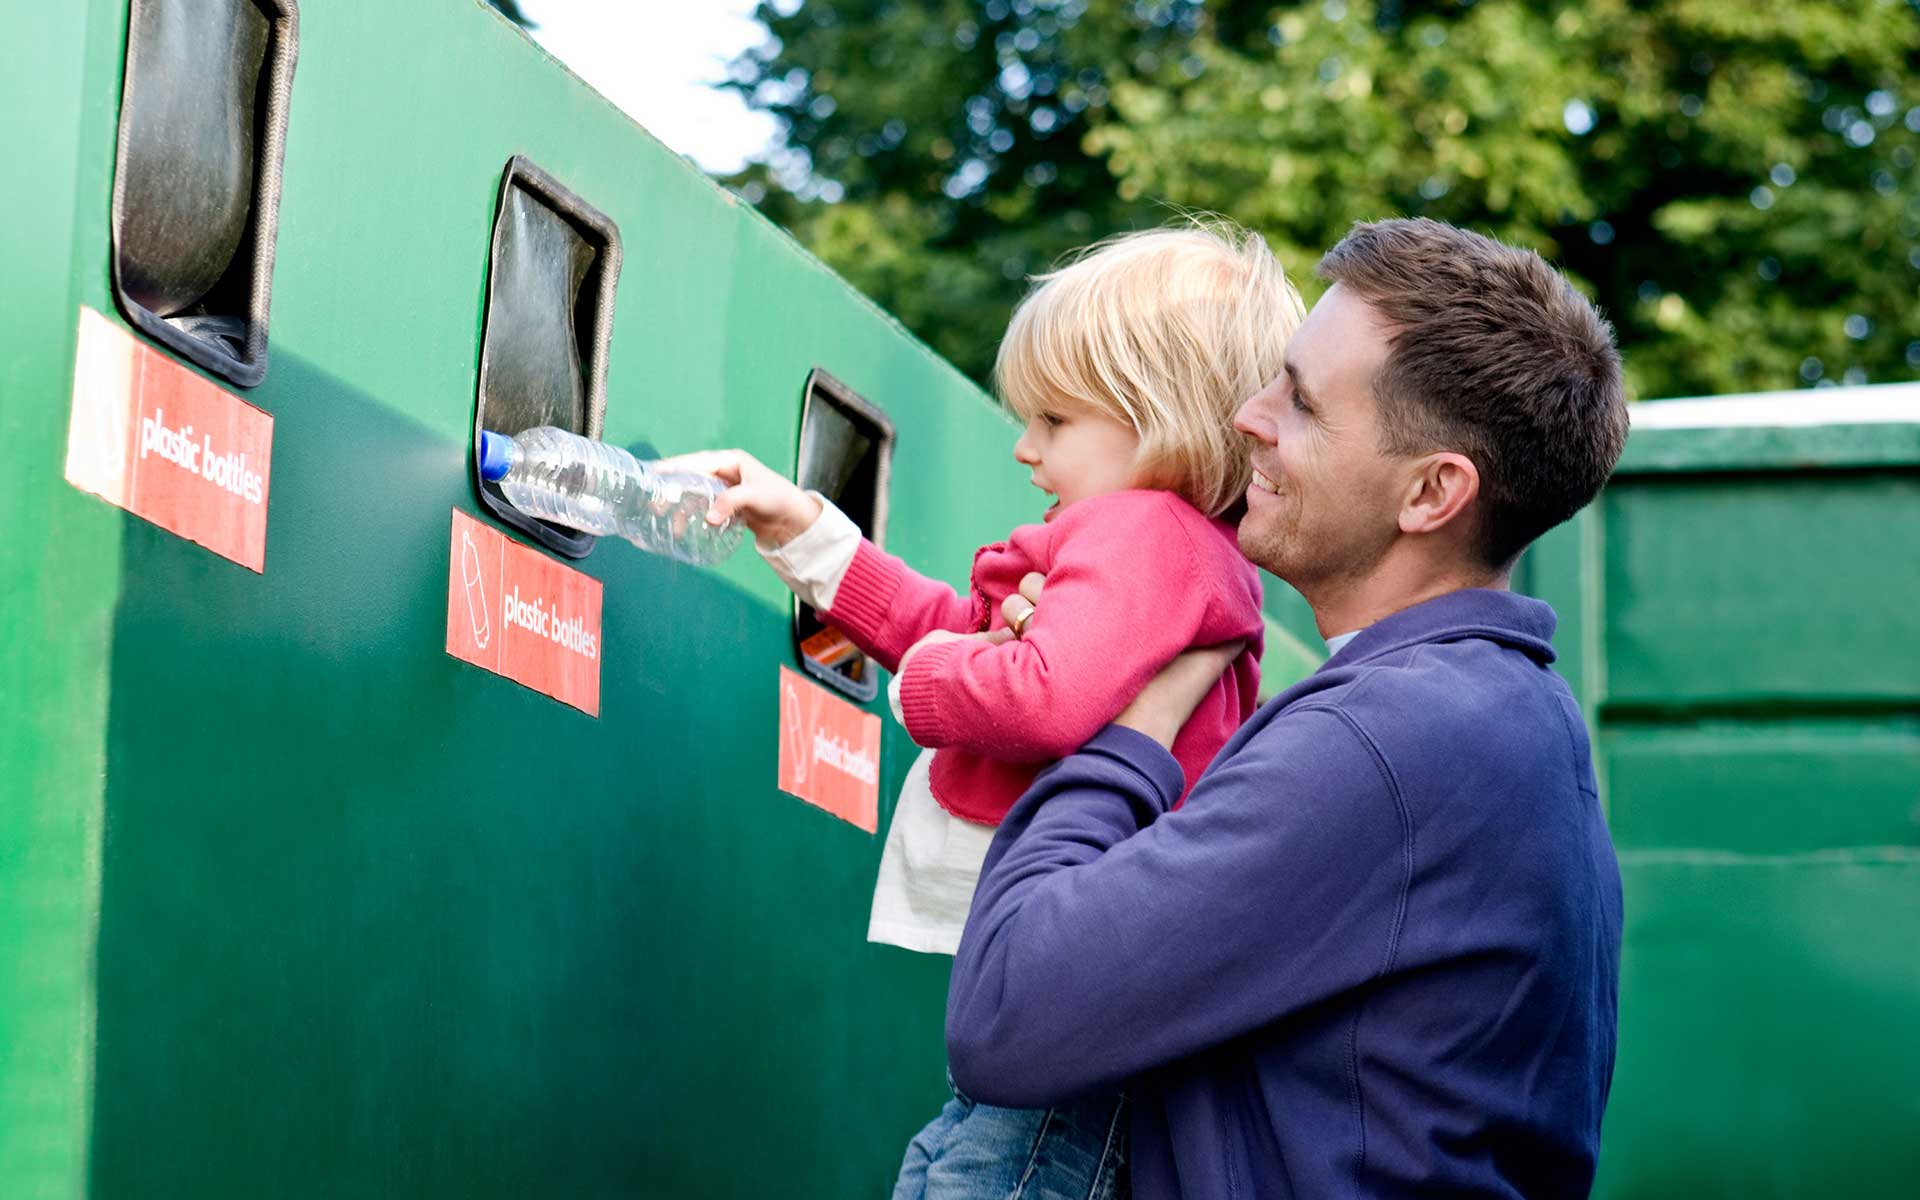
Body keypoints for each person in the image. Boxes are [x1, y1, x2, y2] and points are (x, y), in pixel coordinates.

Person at [944, 217, 1631, 1200]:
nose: (1246, 416)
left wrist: (1125, 727)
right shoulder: (1495, 716)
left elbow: (1006, 1016)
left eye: (1300, 402)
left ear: (1433, 491)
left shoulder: (1398, 738)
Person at [663, 223, 1306, 1199]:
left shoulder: (1147, 534)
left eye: (1053, 420)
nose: (1024, 447)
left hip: (1076, 987)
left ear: (1156, 416)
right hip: (1072, 994)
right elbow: (969, 630)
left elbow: (1034, 691)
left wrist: (924, 682)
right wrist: (808, 534)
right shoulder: (1151, 546)